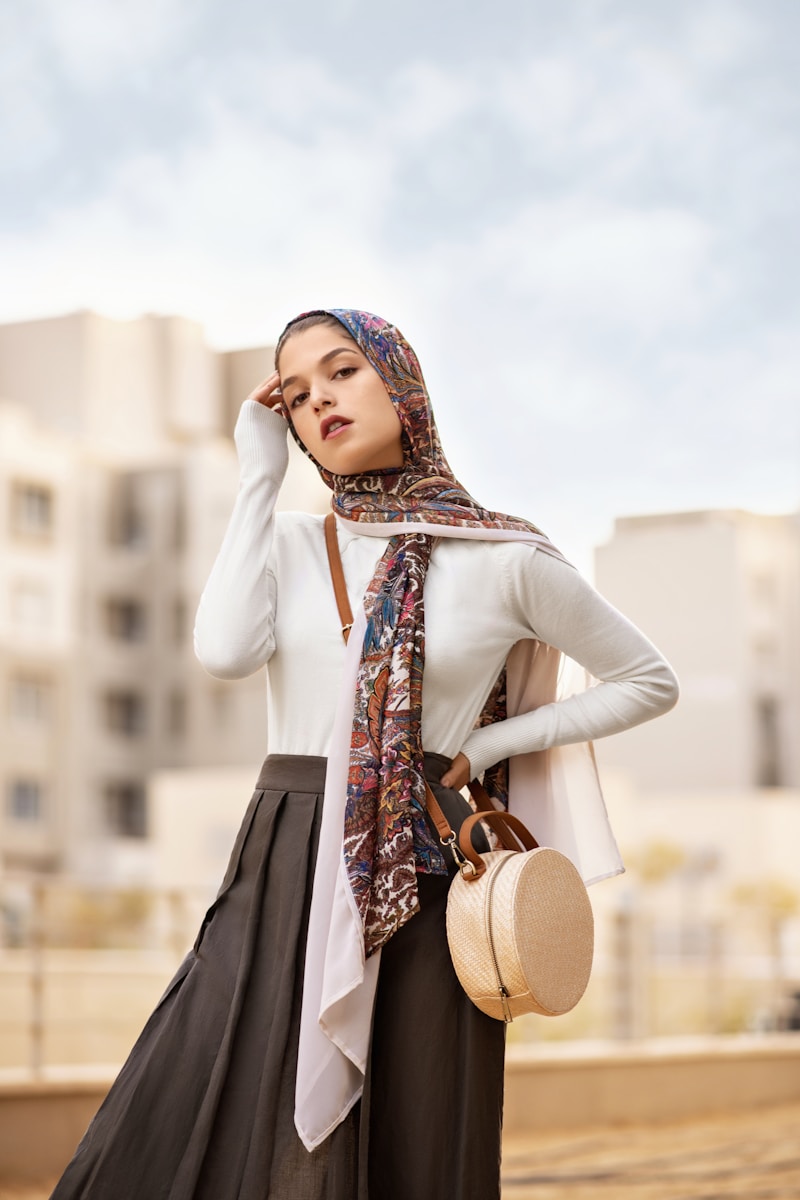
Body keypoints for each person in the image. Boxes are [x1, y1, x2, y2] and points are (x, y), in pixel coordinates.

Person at [51, 308, 679, 1200]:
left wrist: (490, 743)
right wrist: (256, 478)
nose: (320, 401)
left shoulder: (505, 557)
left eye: (341, 371)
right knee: (208, 1080)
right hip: (286, 849)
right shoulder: (289, 541)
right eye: (297, 395)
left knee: (415, 1116)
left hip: (421, 861)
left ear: (400, 380)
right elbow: (224, 652)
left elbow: (647, 680)